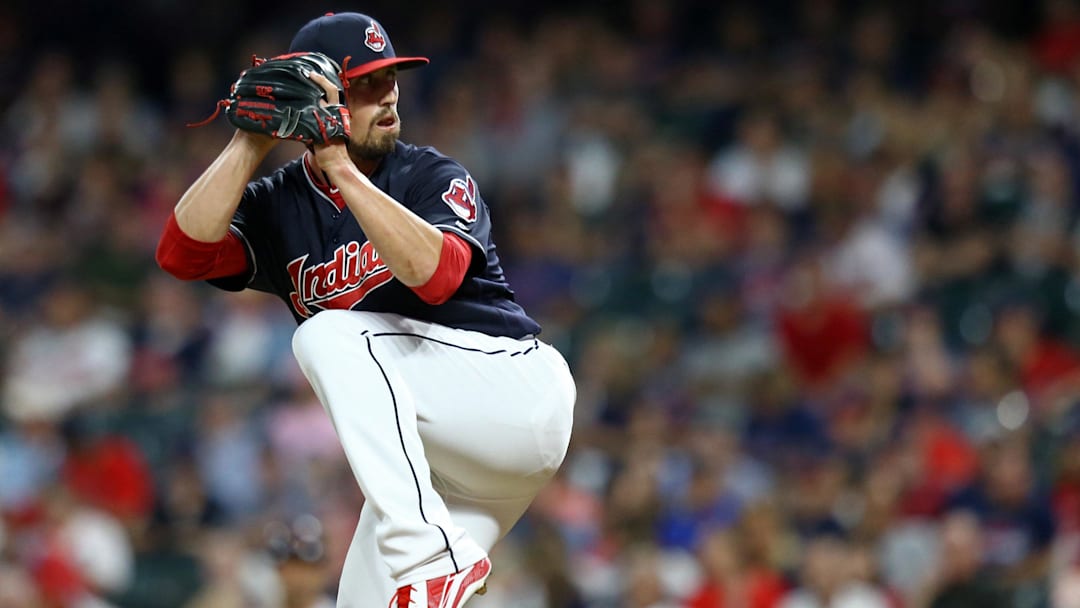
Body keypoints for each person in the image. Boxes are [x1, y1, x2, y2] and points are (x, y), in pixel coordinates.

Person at [155, 11, 576, 608]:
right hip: (448, 469)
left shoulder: (430, 173)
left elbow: (435, 276)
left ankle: (432, 557)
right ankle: (435, 558)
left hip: (512, 394)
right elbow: (181, 253)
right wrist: (250, 140)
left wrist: (341, 168)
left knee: (325, 335)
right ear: (314, 98)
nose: (387, 99)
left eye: (390, 79)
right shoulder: (279, 207)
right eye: (363, 86)